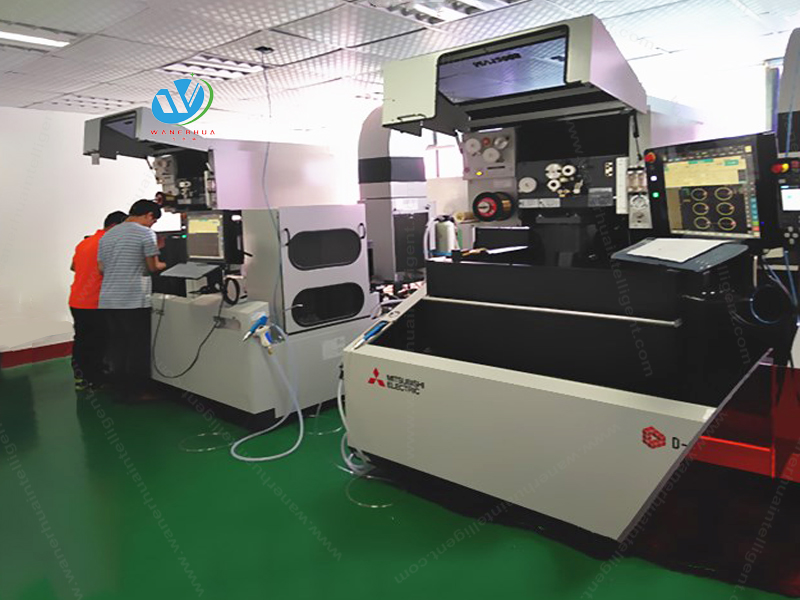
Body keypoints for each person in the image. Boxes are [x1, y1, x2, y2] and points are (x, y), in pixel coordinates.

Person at [98, 200, 167, 400]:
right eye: (153, 220)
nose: (152, 225)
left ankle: (120, 389)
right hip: (133, 299)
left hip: (108, 299)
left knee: (118, 344)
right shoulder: (145, 233)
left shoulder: (108, 235)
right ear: (149, 215)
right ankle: (138, 391)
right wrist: (169, 263)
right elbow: (153, 267)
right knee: (137, 346)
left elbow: (101, 269)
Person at [69, 211, 128, 391]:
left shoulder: (85, 242)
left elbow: (73, 267)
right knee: (98, 342)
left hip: (77, 299)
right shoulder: (109, 244)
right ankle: (96, 379)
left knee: (82, 340)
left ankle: (81, 378)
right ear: (115, 226)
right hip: (96, 301)